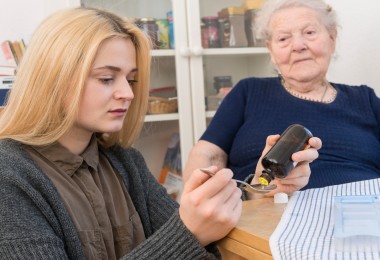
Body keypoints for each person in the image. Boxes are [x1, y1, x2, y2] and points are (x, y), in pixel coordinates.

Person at [184, 0, 380, 191]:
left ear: (332, 38)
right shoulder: (248, 91)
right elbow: (206, 154)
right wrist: (194, 203)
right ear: (271, 50)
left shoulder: (365, 98)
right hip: (262, 215)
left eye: (309, 32)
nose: (298, 45)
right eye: (283, 38)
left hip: (361, 213)